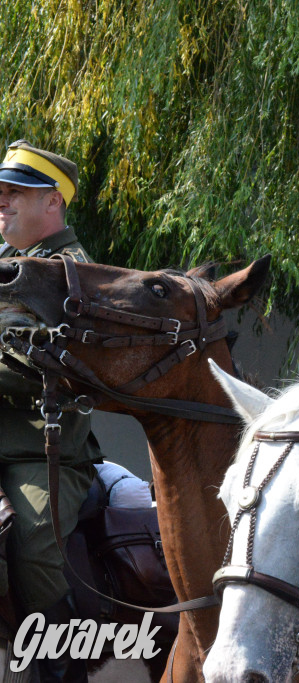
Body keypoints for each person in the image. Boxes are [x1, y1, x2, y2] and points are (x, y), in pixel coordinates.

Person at [0, 140, 99, 682]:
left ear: (53, 204)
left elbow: (48, 366)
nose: (2, 202)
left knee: (35, 545)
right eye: (0, 193)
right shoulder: (6, 265)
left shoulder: (73, 276)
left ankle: (60, 669)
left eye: (16, 193)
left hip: (40, 449)